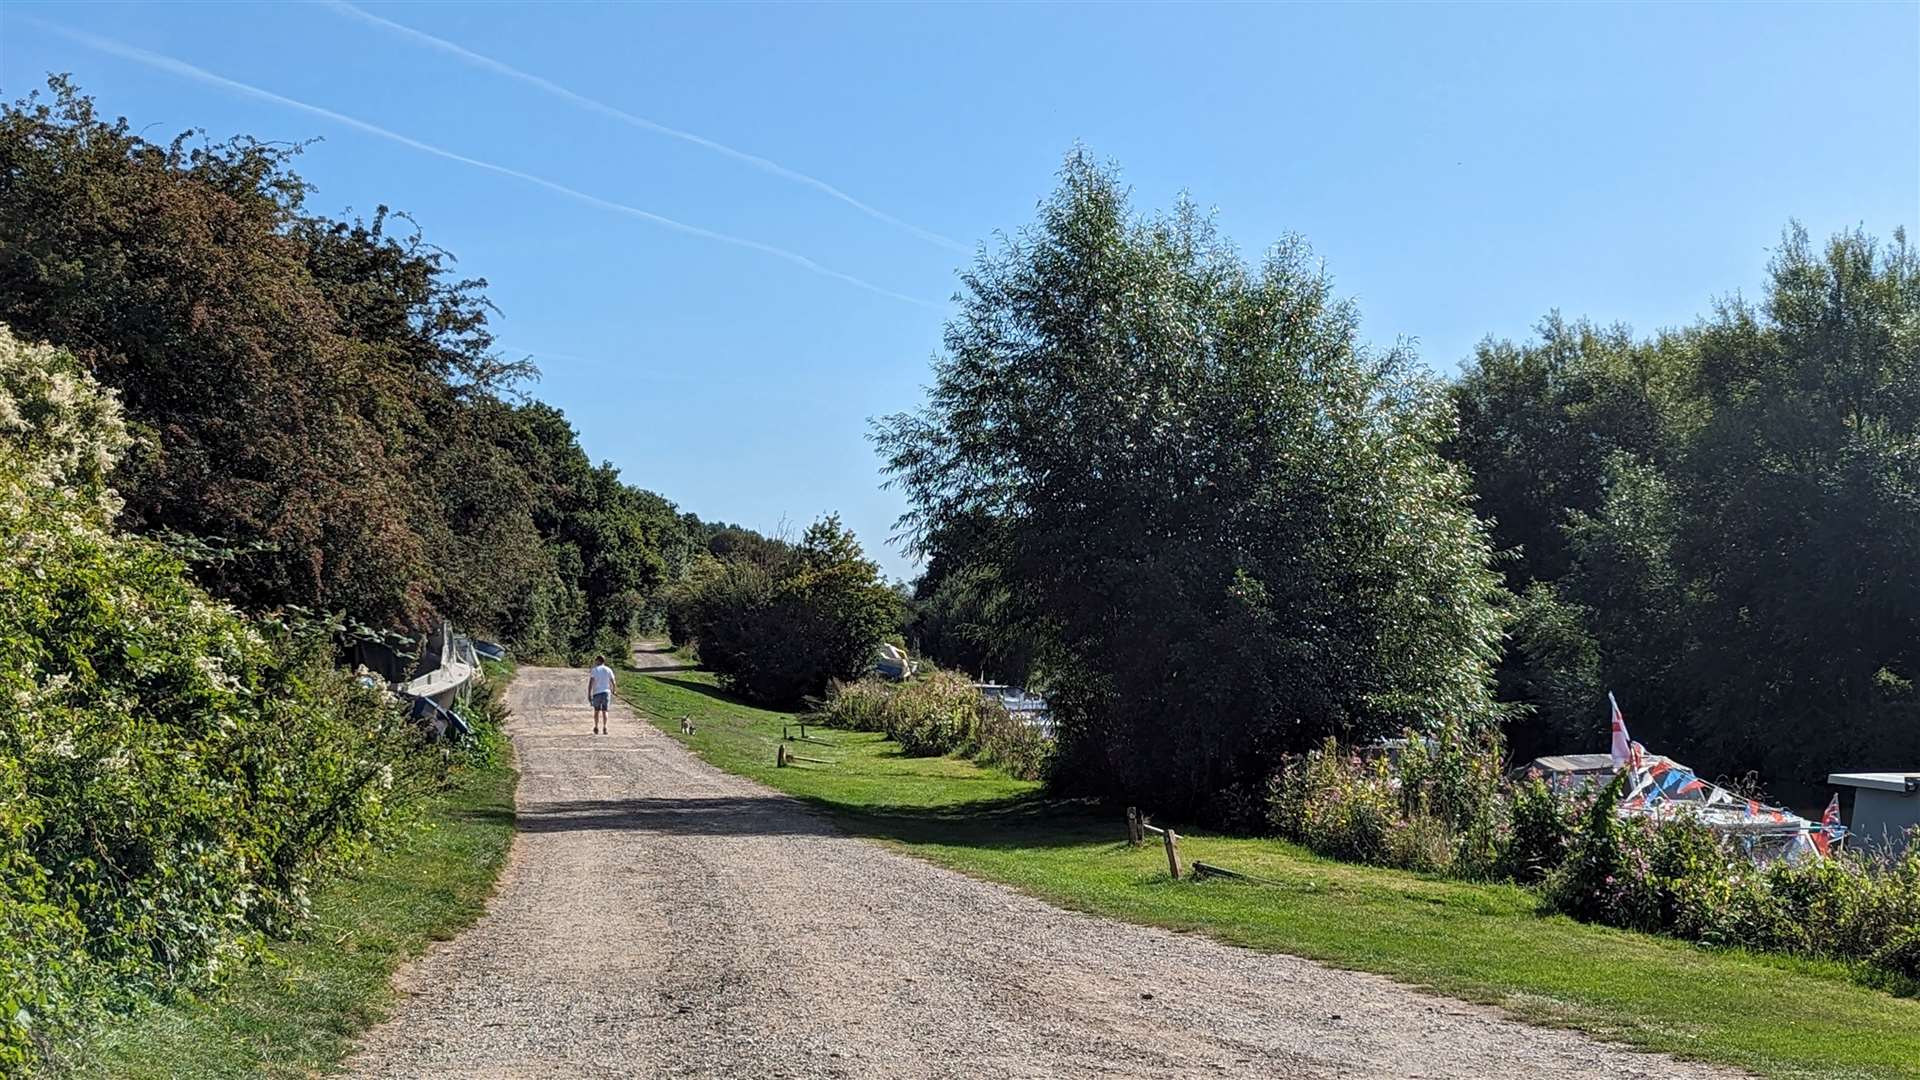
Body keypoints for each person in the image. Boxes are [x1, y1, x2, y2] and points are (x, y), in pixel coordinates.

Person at [587, 655, 616, 735]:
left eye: (596, 660)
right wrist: (614, 690)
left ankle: (596, 726)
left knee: (596, 711)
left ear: (599, 661)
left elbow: (591, 682)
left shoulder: (594, 670)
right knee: (605, 710)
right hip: (606, 692)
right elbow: (613, 681)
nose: (595, 662)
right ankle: (605, 727)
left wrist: (589, 693)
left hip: (597, 692)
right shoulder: (608, 670)